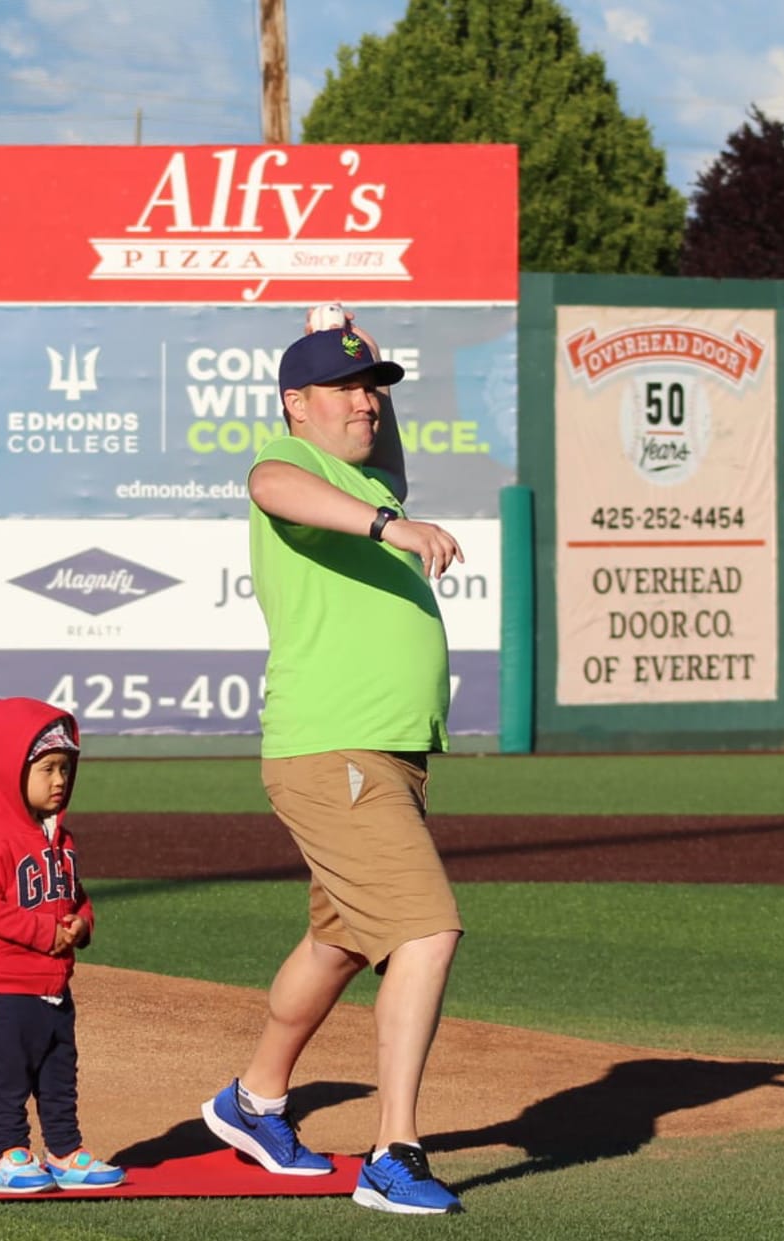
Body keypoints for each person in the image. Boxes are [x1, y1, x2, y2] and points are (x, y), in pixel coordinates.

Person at [199, 325, 468, 1214]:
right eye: (347, 386)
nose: (367, 399)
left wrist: (364, 348)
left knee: (343, 939)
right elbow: (268, 484)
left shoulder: (363, 476)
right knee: (425, 930)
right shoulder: (290, 463)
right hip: (336, 746)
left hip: (384, 750)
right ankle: (395, 1153)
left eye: (375, 385)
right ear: (293, 402)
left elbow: (379, 456)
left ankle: (255, 1099)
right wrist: (391, 525)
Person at [0, 696, 122, 1194]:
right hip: (4, 987)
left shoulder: (60, 841)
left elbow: (77, 896)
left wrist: (82, 925)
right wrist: (46, 934)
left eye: (65, 768)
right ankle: (7, 1154)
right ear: (12, 770)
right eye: (47, 768)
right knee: (11, 1075)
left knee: (59, 1075)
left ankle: (65, 1152)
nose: (59, 780)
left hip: (55, 985)